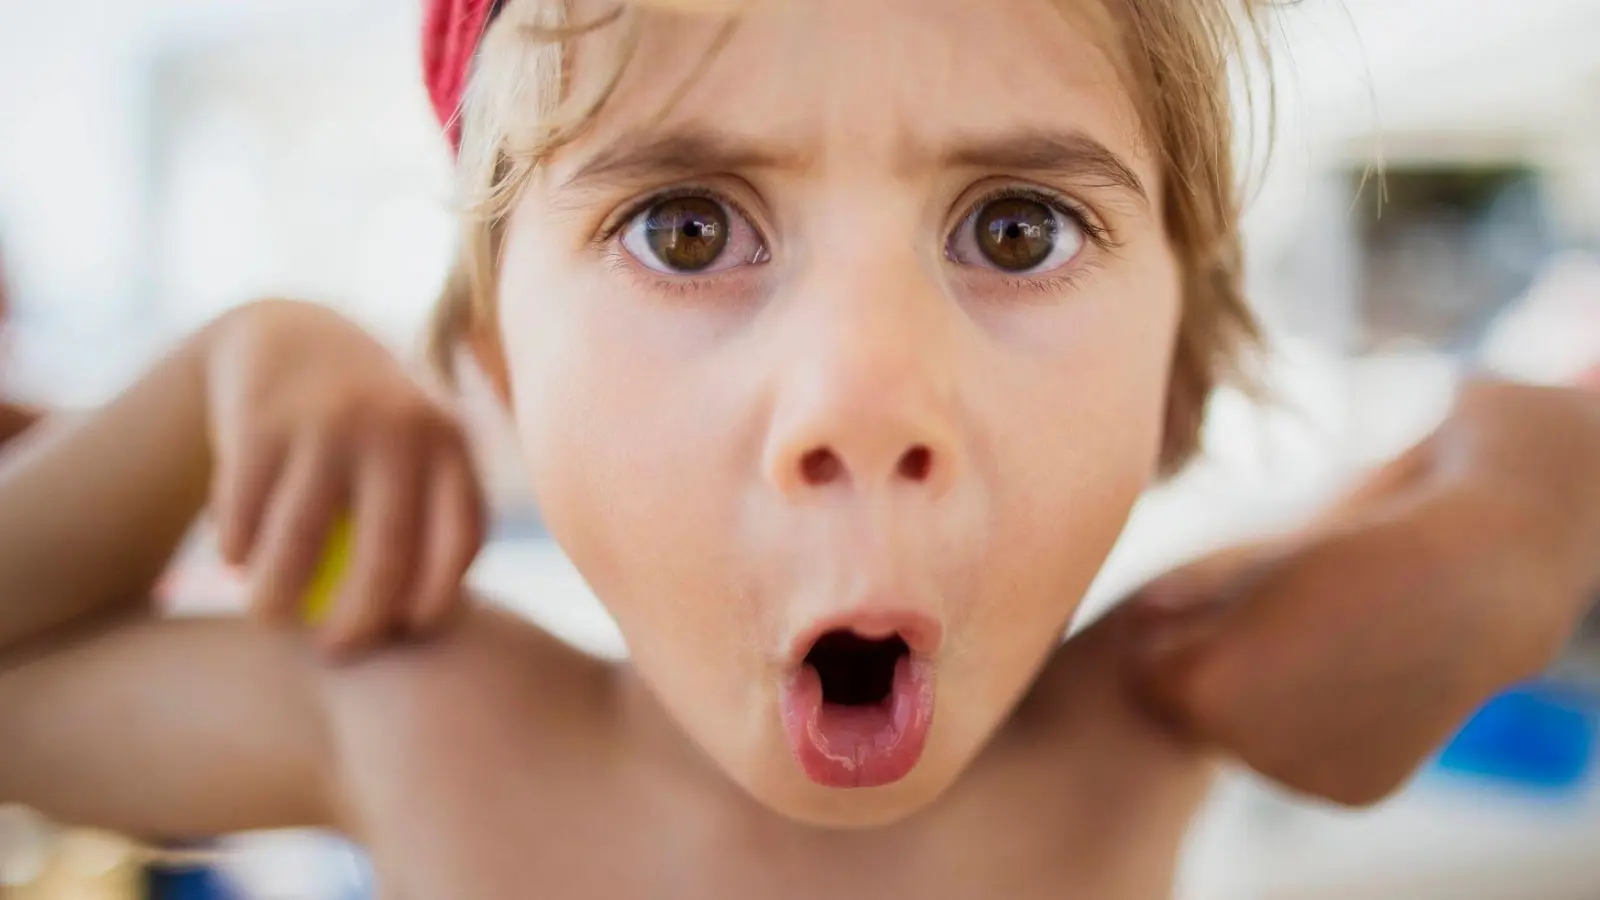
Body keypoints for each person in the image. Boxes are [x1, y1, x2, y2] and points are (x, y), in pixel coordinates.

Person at [3, 3, 1599, 900]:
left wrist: (1529, 511)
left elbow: (1547, 431)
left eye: (1018, 229)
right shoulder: (416, 722)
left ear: (1176, 385)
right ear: (499, 369)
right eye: (686, 230)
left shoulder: (1175, 688)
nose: (861, 397)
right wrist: (222, 361)